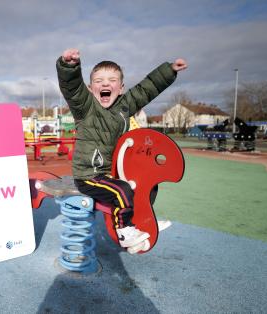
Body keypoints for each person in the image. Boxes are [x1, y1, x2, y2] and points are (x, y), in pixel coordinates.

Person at [56, 48, 187, 253]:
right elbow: (71, 88)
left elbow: (147, 88)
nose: (105, 84)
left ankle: (142, 220)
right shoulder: (85, 107)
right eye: (99, 81)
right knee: (122, 190)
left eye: (112, 80)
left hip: (110, 172)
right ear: (90, 88)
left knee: (147, 185)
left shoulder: (124, 106)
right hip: (89, 175)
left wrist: (169, 70)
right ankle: (125, 231)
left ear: (121, 88)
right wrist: (69, 67)